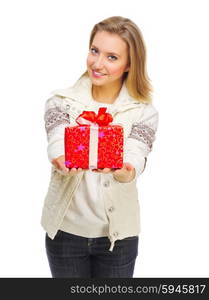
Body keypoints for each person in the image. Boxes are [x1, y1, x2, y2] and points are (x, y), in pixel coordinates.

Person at [41, 16, 159, 278]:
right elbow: (57, 138)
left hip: (118, 239)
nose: (97, 63)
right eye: (95, 51)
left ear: (130, 64)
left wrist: (126, 170)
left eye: (112, 57)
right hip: (65, 234)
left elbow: (136, 153)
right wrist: (60, 158)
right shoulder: (61, 101)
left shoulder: (143, 112)